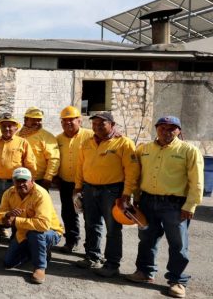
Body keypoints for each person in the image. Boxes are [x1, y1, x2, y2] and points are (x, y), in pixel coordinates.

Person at [124, 116, 203, 298]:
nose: (166, 132)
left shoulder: (188, 151)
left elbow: (197, 182)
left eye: (171, 129)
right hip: (147, 202)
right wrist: (136, 197)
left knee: (178, 243)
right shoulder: (144, 149)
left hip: (174, 205)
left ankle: (177, 281)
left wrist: (190, 206)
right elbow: (137, 175)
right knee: (146, 239)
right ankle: (144, 272)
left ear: (179, 131)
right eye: (162, 128)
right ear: (156, 129)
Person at [74, 112, 139, 277]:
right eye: (94, 125)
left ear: (112, 124)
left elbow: (132, 171)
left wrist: (127, 193)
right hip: (89, 189)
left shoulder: (124, 143)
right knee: (91, 224)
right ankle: (92, 256)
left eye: (101, 124)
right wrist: (78, 187)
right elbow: (80, 166)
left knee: (113, 228)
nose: (97, 128)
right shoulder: (87, 143)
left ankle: (112, 264)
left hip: (112, 191)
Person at [0, 167, 64, 284]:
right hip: (23, 232)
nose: (21, 184)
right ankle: (39, 251)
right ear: (13, 181)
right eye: (18, 181)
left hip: (50, 231)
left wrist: (15, 221)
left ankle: (39, 267)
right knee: (8, 263)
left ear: (32, 181)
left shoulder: (41, 194)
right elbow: (0, 214)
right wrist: (6, 217)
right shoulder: (9, 193)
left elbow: (43, 225)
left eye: (24, 181)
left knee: (35, 234)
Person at [0, 113, 36, 248]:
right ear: (0, 128)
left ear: (16, 128)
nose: (7, 129)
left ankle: (15, 240)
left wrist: (30, 182)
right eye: (4, 126)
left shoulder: (23, 143)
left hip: (16, 184)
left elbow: (30, 164)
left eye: (10, 126)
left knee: (18, 210)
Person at [55, 106, 93, 253]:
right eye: (64, 121)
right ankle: (71, 241)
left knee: (90, 217)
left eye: (71, 120)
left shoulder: (90, 136)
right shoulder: (58, 139)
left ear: (80, 120)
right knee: (69, 213)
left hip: (86, 183)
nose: (68, 123)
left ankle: (91, 248)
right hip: (66, 182)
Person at [18, 107, 60, 190]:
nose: (37, 122)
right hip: (20, 178)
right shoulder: (18, 135)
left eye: (39, 120)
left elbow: (53, 158)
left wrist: (48, 178)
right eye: (33, 119)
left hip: (40, 180)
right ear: (25, 120)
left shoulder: (47, 136)